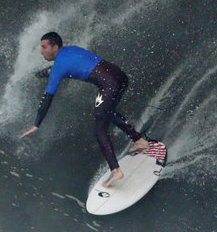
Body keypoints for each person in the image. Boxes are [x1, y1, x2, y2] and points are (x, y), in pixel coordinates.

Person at [19, 31, 149, 187]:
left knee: (99, 129)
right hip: (120, 76)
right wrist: (37, 74)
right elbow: (57, 69)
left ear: (55, 47)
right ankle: (139, 140)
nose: (41, 51)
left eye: (44, 47)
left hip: (109, 85)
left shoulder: (59, 66)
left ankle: (116, 171)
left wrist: (36, 124)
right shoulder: (70, 50)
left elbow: (48, 98)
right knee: (106, 112)